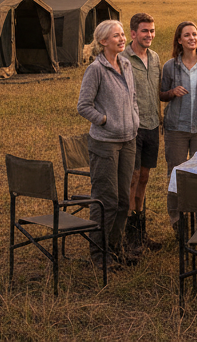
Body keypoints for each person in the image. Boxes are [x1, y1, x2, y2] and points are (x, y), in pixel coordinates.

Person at [76, 19, 141, 268]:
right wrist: (104, 120)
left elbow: (133, 98)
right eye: (117, 35)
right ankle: (98, 255)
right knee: (106, 199)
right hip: (105, 143)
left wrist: (133, 120)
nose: (123, 39)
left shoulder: (126, 63)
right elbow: (83, 106)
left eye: (123, 34)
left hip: (128, 141)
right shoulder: (96, 69)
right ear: (103, 41)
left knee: (124, 199)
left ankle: (115, 249)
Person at [158, 20, 197, 231]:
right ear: (179, 40)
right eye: (187, 35)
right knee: (176, 174)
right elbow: (161, 94)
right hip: (176, 128)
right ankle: (179, 223)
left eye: (194, 34)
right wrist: (172, 93)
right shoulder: (170, 66)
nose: (192, 38)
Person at [123, 12, 164, 253]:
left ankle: (141, 233)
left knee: (145, 179)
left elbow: (157, 91)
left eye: (152, 31)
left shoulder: (156, 58)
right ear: (133, 33)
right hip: (133, 128)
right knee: (132, 179)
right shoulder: (123, 58)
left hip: (153, 125)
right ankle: (129, 238)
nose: (149, 35)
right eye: (145, 31)